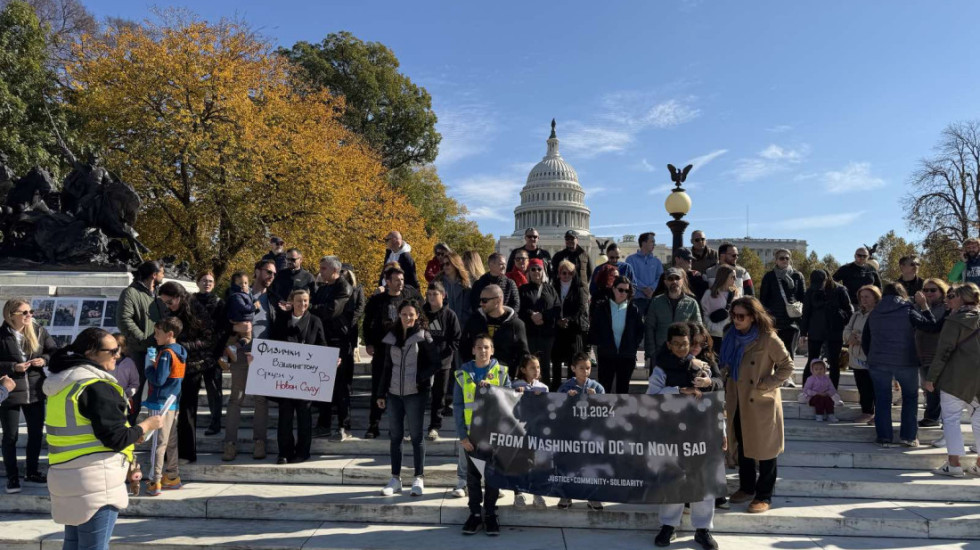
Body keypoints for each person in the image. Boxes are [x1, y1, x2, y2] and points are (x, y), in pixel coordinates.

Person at [43, 328, 166, 550]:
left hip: (64, 475)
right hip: (96, 478)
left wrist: (132, 434)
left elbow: (87, 429)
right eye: (112, 351)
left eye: (118, 350)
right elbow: (116, 438)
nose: (118, 355)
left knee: (73, 544)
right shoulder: (96, 385)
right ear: (90, 353)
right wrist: (147, 425)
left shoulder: (63, 384)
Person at [649, 323, 723, 550]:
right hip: (672, 430)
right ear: (669, 345)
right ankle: (669, 525)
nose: (682, 348)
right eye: (677, 344)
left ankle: (703, 529)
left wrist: (708, 382)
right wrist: (679, 390)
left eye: (685, 344)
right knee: (673, 476)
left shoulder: (705, 365)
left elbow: (719, 393)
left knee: (704, 478)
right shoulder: (661, 367)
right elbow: (652, 396)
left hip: (703, 429)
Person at [722, 296, 794, 514]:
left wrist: (766, 384)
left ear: (753, 317)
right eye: (733, 315)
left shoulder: (768, 338)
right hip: (737, 398)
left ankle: (764, 495)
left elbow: (787, 366)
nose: (736, 320)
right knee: (743, 445)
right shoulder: (730, 335)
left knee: (766, 450)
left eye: (741, 316)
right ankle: (747, 487)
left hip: (760, 400)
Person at [377, 300, 440, 497]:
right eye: (404, 314)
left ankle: (418, 477)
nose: (408, 318)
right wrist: (381, 393)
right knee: (395, 436)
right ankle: (395, 479)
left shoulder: (423, 336)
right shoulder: (391, 336)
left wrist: (421, 378)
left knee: (416, 436)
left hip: (415, 394)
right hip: (394, 393)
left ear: (417, 315)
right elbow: (386, 366)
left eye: (411, 314)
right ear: (399, 315)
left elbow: (436, 362)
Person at [455, 334, 511, 536]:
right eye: (479, 347)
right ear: (473, 350)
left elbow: (510, 401)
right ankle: (475, 513)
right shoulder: (462, 374)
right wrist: (463, 436)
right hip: (472, 436)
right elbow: (458, 406)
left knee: (493, 477)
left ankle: (490, 513)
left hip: (494, 436)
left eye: (486, 347)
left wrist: (493, 389)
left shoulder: (501, 372)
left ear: (492, 350)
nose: (483, 351)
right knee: (473, 477)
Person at [0, 298, 57, 492]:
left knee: (35, 433)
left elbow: (54, 351)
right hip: (10, 390)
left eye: (31, 312)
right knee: (10, 436)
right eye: (24, 312)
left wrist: (44, 360)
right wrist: (12, 367)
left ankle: (32, 471)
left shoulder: (39, 331)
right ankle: (12, 477)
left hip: (35, 389)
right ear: (11, 315)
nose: (29, 315)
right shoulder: (2, 335)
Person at [925, 283, 980, 476]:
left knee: (951, 419)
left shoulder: (954, 321)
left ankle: (954, 464)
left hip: (955, 378)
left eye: (952, 296)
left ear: (962, 298)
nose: (948, 299)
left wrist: (931, 378)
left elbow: (943, 352)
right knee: (979, 420)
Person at [157, 282, 214, 465]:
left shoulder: (196, 308)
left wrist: (182, 347)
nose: (168, 306)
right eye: (164, 303)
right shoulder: (169, 311)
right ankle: (169, 451)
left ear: (179, 297)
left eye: (170, 302)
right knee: (169, 409)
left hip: (192, 366)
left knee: (187, 409)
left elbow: (208, 338)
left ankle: (187, 453)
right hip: (171, 364)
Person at [363, 266, 422, 438]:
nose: (400, 283)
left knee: (400, 390)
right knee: (378, 387)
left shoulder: (409, 298)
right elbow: (367, 322)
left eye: (402, 280)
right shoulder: (377, 300)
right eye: (396, 280)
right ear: (387, 282)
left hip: (402, 351)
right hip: (382, 349)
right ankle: (374, 424)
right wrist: (369, 343)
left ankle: (397, 427)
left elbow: (420, 316)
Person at [269, 289, 325, 463]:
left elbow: (322, 346)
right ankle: (284, 452)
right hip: (285, 378)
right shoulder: (281, 320)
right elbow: (272, 345)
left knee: (304, 416)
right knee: (285, 416)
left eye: (306, 301)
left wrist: (331, 362)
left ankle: (303, 452)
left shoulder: (315, 321)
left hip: (306, 378)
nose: (303, 304)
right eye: (299, 301)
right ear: (292, 302)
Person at [862, 283, 919, 448]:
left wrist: (871, 356)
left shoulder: (874, 312)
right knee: (910, 397)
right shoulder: (909, 309)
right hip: (906, 360)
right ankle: (908, 437)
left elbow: (866, 339)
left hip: (878, 361)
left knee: (882, 398)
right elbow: (925, 327)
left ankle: (884, 437)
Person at [143, 317, 187, 496]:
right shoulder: (180, 351)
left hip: (160, 402)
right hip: (173, 402)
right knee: (170, 441)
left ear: (169, 334)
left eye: (157, 333)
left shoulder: (166, 353)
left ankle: (155, 480)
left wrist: (149, 367)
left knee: (158, 443)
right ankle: (172, 476)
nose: (155, 336)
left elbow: (159, 379)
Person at [116, 260, 164, 425]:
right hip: (140, 350)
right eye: (162, 272)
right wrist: (142, 338)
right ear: (154, 275)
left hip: (160, 349)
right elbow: (124, 320)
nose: (164, 276)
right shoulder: (130, 293)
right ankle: (127, 425)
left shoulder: (159, 294)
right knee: (135, 390)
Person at [311, 256, 353, 439]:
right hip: (323, 340)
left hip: (339, 341)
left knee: (341, 385)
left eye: (324, 268)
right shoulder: (323, 288)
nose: (320, 271)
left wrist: (309, 307)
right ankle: (324, 423)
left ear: (335, 270)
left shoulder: (344, 287)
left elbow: (330, 311)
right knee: (323, 384)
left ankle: (344, 425)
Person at [556, 352, 605, 510]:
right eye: (581, 368)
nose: (585, 371)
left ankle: (593, 497)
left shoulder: (597, 387)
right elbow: (555, 408)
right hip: (570, 434)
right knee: (568, 465)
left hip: (590, 434)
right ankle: (566, 495)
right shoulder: (565, 387)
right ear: (573, 368)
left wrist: (596, 399)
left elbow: (606, 409)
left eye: (588, 368)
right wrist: (566, 399)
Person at [221, 317, 267, 461]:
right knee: (236, 399)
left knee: (261, 399)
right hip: (240, 355)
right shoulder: (238, 303)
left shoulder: (271, 304)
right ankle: (229, 444)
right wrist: (236, 328)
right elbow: (225, 321)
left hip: (264, 355)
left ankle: (260, 442)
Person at [460, 284, 529, 378]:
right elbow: (464, 346)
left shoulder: (516, 324)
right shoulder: (474, 320)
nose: (481, 303)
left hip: (505, 378)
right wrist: (471, 368)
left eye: (485, 300)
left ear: (498, 300)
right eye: (480, 300)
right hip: (477, 376)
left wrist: (515, 375)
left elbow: (523, 354)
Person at [590, 276, 644, 394]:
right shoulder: (602, 307)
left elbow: (640, 330)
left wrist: (633, 345)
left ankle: (621, 408)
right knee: (604, 388)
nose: (623, 293)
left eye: (626, 291)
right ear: (614, 289)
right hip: (606, 354)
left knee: (623, 389)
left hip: (626, 355)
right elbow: (595, 328)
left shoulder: (634, 309)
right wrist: (601, 343)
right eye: (620, 289)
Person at [799, 269, 852, 388]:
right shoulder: (811, 291)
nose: (818, 287)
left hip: (834, 331)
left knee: (834, 362)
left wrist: (838, 314)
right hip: (816, 330)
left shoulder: (840, 290)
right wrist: (803, 333)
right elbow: (806, 313)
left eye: (820, 284)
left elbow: (849, 311)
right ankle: (806, 390)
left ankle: (833, 391)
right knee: (812, 360)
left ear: (827, 279)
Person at [422, 282, 461, 440]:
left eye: (435, 294)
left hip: (443, 362)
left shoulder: (450, 315)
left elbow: (456, 339)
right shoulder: (422, 313)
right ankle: (414, 426)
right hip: (424, 360)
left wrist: (445, 353)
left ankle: (434, 426)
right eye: (429, 294)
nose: (431, 297)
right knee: (420, 394)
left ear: (443, 296)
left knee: (439, 395)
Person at [911, 278, 951, 430]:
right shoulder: (916, 306)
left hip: (937, 353)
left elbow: (932, 326)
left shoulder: (945, 308)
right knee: (927, 386)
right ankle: (933, 415)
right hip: (920, 353)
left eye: (933, 290)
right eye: (925, 290)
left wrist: (923, 306)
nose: (929, 293)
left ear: (942, 291)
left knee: (934, 387)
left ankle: (933, 417)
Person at [511, 354, 548, 509]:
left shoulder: (543, 387)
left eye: (538, 367)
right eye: (532, 367)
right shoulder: (514, 385)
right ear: (523, 370)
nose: (536, 370)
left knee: (536, 463)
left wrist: (541, 398)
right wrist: (516, 394)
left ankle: (536, 493)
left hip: (536, 432)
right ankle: (518, 494)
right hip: (519, 432)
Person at [518, 258, 560, 394]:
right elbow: (519, 309)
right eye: (533, 269)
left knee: (544, 366)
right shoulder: (522, 290)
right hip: (529, 334)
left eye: (539, 269)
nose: (536, 272)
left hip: (547, 335)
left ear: (543, 271)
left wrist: (543, 316)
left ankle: (545, 393)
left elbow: (557, 308)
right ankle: (527, 393)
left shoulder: (550, 289)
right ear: (529, 272)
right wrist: (531, 315)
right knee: (529, 365)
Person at [647, 268, 703, 361]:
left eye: (677, 278)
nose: (674, 281)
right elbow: (649, 328)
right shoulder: (656, 302)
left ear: (682, 281)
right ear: (665, 282)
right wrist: (651, 353)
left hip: (684, 352)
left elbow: (698, 330)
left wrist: (693, 352)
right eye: (670, 279)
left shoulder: (692, 303)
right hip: (661, 352)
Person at [843, 285, 881, 425]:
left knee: (875, 387)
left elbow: (880, 333)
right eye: (862, 297)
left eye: (867, 296)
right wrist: (850, 337)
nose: (864, 300)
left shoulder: (879, 314)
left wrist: (862, 338)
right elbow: (847, 330)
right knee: (862, 386)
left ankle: (878, 415)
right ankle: (866, 412)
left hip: (873, 357)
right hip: (857, 357)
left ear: (875, 297)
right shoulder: (856, 314)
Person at [192, 271, 224, 436]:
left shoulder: (219, 303)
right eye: (204, 280)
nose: (207, 283)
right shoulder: (190, 301)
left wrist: (217, 351)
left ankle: (215, 423)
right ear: (198, 282)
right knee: (191, 390)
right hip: (194, 351)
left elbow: (223, 329)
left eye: (210, 281)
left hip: (213, 352)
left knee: (214, 390)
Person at [759, 249, 806, 359]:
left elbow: (803, 298)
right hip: (774, 320)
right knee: (774, 353)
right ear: (776, 260)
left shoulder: (797, 276)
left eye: (787, 258)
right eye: (781, 258)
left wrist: (803, 322)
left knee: (789, 352)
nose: (785, 260)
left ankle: (788, 370)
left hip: (793, 320)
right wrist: (766, 319)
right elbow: (763, 300)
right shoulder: (769, 277)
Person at [551, 260, 590, 390]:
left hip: (573, 329)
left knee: (572, 361)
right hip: (557, 328)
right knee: (556, 361)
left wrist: (568, 319)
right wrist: (558, 320)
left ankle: (570, 389)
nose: (567, 275)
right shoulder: (553, 286)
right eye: (564, 273)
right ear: (559, 273)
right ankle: (556, 388)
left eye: (570, 273)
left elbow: (581, 308)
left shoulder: (579, 288)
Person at [701, 266, 741, 351]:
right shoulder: (709, 294)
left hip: (732, 335)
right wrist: (713, 328)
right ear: (724, 277)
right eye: (733, 277)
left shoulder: (736, 294)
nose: (735, 279)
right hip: (714, 337)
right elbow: (704, 314)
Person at [626, 232, 663, 314]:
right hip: (636, 301)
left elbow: (660, 278)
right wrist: (644, 289)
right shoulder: (630, 259)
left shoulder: (657, 261)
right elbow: (630, 277)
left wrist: (651, 289)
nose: (654, 244)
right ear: (643, 243)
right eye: (652, 241)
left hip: (654, 301)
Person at [435, 251, 473, 330]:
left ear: (455, 264)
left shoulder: (465, 284)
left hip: (462, 327)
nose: (445, 266)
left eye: (447, 264)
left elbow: (468, 309)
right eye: (443, 264)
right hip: (443, 327)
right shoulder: (438, 282)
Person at [111, 334, 140, 420]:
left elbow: (135, 383)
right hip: (108, 399)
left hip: (124, 400)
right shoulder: (105, 361)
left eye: (116, 346)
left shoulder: (129, 363)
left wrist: (126, 393)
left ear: (123, 348)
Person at [250, 259, 277, 342]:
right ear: (257, 272)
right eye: (269, 272)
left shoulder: (274, 300)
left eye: (274, 274)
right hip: (240, 348)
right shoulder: (241, 296)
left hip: (264, 348)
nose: (272, 276)